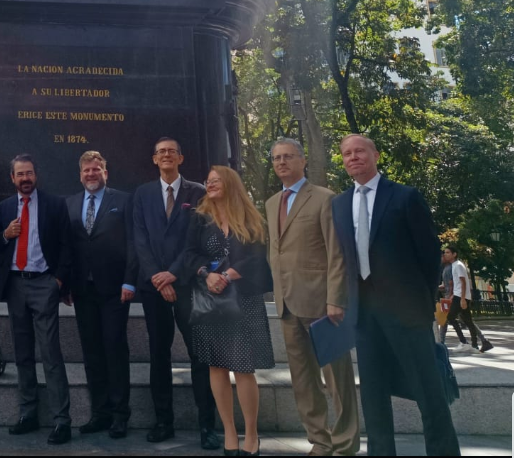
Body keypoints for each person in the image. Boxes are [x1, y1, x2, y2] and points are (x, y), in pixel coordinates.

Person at [331, 134, 460, 456]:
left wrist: (420, 304)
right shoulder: (339, 204)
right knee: (373, 396)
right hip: (364, 315)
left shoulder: (405, 197)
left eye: (360, 151)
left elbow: (429, 255)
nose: (353, 157)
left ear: (375, 154)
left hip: (407, 314)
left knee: (428, 393)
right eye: (347, 153)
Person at [264, 138, 359, 456]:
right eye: (276, 158)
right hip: (288, 304)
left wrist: (336, 298)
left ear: (303, 161)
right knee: (303, 381)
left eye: (288, 156)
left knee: (338, 381)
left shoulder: (323, 198)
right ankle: (320, 441)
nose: (281, 162)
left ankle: (345, 443)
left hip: (322, 305)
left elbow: (337, 254)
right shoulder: (271, 202)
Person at [132, 137, 220, 449]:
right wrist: (159, 277)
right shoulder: (142, 194)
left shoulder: (197, 192)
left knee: (200, 355)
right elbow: (139, 239)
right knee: (159, 354)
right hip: (154, 287)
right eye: (161, 152)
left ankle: (207, 425)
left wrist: (174, 273)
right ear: (154, 159)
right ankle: (163, 421)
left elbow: (196, 241)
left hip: (189, 285)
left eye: (172, 151)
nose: (166, 155)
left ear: (181, 158)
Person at [183, 166, 274, 457]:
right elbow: (189, 254)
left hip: (242, 300)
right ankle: (230, 434)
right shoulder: (199, 219)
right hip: (210, 301)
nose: (210, 185)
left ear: (230, 184)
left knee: (244, 368)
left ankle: (251, 434)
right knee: (216, 366)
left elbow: (259, 255)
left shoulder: (250, 217)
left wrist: (232, 273)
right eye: (208, 181)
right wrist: (205, 274)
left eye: (216, 181)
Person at [0, 153, 73, 445]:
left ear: (36, 175)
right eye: (19, 174)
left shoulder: (54, 204)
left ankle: (61, 420)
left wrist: (58, 281)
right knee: (22, 353)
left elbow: (66, 245)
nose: (25, 179)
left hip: (44, 283)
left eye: (29, 173)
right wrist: (5, 234)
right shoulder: (3, 208)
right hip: (15, 284)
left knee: (50, 353)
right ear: (12, 178)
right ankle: (28, 414)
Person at [65, 151, 136, 439]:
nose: (91, 174)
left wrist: (130, 282)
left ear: (106, 173)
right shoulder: (69, 204)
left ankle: (120, 415)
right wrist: (66, 285)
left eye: (97, 169)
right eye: (86, 171)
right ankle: (100, 413)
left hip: (115, 290)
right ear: (80, 175)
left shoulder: (123, 200)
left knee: (115, 350)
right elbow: (67, 248)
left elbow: (134, 243)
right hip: (83, 291)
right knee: (92, 352)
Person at [443, 245, 492, 354]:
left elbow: (463, 282)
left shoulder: (458, 265)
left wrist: (463, 299)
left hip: (460, 296)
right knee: (468, 321)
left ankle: (464, 342)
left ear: (454, 254)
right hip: (459, 295)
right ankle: (475, 345)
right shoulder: (455, 265)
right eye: (445, 252)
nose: (445, 254)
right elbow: (458, 283)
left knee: (451, 317)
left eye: (447, 252)